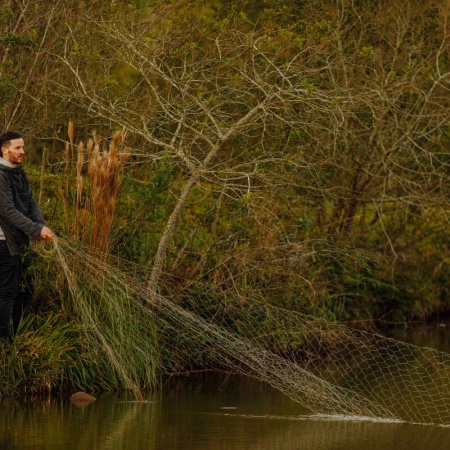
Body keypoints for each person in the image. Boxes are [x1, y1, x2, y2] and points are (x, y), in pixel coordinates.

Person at [0, 131, 53, 344]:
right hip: (4, 243)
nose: (23, 151)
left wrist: (40, 226)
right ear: (4, 150)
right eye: (18, 148)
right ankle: (4, 341)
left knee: (26, 289)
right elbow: (7, 211)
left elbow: (30, 202)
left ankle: (20, 334)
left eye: (23, 147)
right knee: (6, 293)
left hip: (21, 241)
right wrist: (35, 230)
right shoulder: (1, 175)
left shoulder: (18, 172)